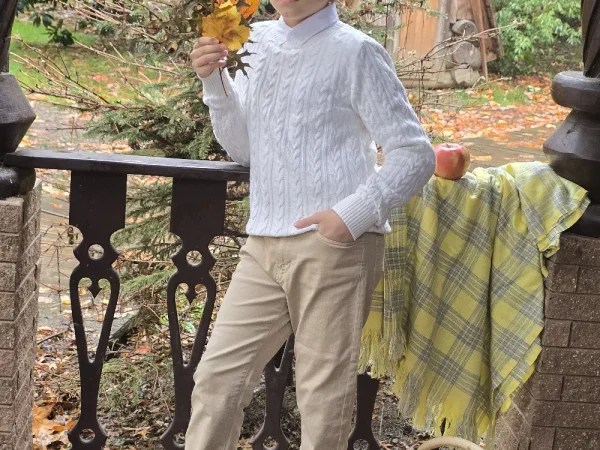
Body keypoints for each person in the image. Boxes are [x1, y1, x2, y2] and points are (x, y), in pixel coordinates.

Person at [187, 0, 435, 448]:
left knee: (323, 402)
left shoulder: (357, 52)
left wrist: (350, 215)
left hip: (334, 248)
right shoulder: (255, 42)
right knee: (217, 381)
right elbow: (247, 150)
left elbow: (415, 154)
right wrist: (214, 82)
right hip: (263, 244)